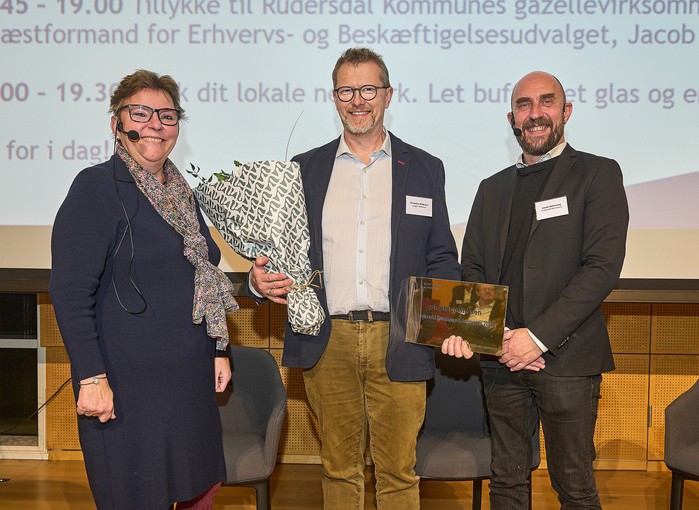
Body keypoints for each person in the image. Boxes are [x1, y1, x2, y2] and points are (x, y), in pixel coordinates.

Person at [249, 47, 461, 509]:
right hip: (329, 340)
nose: (357, 100)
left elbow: (442, 257)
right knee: (339, 469)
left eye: (368, 89)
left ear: (388, 95)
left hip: (401, 337)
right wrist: (257, 281)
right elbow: (279, 254)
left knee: (399, 473)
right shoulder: (303, 169)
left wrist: (447, 325)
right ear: (334, 98)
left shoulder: (425, 168)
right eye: (346, 91)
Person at [50, 69, 238, 510]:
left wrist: (218, 348)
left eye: (167, 115)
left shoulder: (182, 193)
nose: (156, 124)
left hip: (188, 380)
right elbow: (71, 293)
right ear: (117, 124)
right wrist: (91, 377)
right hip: (126, 385)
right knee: (135, 496)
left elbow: (203, 275)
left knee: (195, 491)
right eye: (141, 113)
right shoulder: (95, 187)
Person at [443, 71, 629, 508]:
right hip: (502, 360)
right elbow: (472, 268)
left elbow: (601, 269)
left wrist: (537, 337)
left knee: (574, 488)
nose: (535, 113)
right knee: (506, 484)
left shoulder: (597, 174)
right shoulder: (491, 188)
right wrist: (495, 336)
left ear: (566, 111)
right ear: (512, 118)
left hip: (567, 361)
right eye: (524, 105)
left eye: (547, 102)